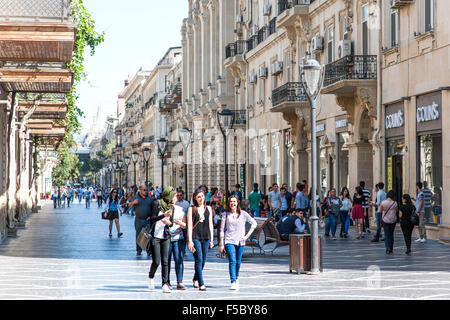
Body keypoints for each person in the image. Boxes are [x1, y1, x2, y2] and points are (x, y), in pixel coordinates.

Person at [219, 195, 257, 290]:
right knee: (232, 260)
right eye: (231, 202)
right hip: (229, 240)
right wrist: (221, 243)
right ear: (228, 203)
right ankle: (233, 281)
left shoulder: (243, 214)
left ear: (237, 203)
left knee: (238, 262)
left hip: (240, 241)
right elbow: (222, 230)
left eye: (234, 201)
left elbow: (254, 223)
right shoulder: (225, 214)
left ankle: (236, 277)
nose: (233, 203)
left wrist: (247, 236)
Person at [148, 187, 176, 293]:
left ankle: (164, 284)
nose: (175, 198)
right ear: (168, 195)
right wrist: (163, 216)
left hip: (166, 236)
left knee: (165, 261)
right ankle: (151, 276)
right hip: (155, 236)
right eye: (174, 196)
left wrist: (169, 223)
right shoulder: (157, 203)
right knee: (156, 261)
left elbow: (171, 222)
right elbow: (152, 219)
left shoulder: (171, 207)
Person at [187, 190, 214, 291]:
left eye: (202, 196)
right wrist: (190, 240)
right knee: (199, 259)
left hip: (206, 236)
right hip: (195, 236)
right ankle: (201, 283)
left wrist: (211, 240)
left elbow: (211, 224)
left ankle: (195, 278)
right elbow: (190, 225)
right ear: (195, 198)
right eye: (199, 197)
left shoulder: (209, 209)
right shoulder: (191, 209)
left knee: (203, 260)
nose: (201, 198)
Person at [168, 190, 190, 286]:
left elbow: (185, 225)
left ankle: (179, 281)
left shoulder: (180, 209)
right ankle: (166, 281)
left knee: (179, 259)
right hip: (167, 238)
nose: (174, 198)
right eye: (173, 197)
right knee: (166, 261)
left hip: (178, 238)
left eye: (175, 197)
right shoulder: (164, 209)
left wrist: (181, 224)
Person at [129, 184, 154, 256]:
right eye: (144, 190)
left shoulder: (150, 199)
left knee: (148, 235)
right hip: (138, 220)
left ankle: (148, 250)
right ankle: (139, 250)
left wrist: (151, 216)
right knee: (138, 235)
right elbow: (129, 205)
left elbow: (153, 208)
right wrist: (133, 203)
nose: (146, 191)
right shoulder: (136, 198)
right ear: (140, 190)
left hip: (147, 220)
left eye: (147, 190)